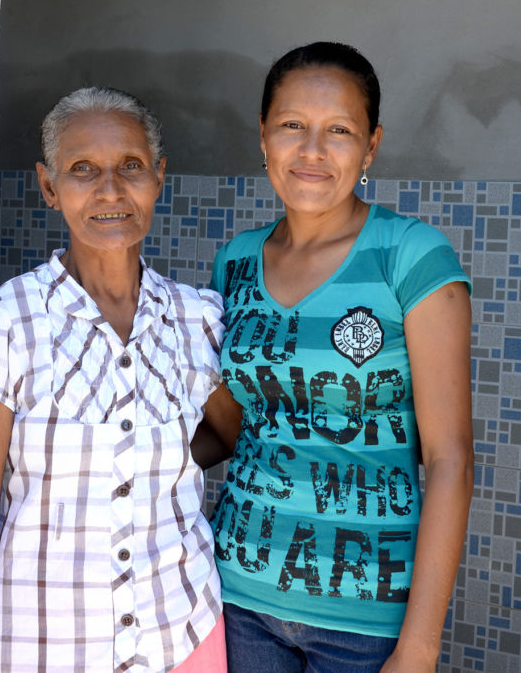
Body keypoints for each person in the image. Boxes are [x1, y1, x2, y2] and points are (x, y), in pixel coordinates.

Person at [202, 42, 475, 673]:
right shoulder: (234, 261)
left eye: (340, 131)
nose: (313, 151)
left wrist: (420, 647)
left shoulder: (409, 256)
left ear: (372, 146)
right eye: (292, 126)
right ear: (263, 138)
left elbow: (451, 459)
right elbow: (227, 427)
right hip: (238, 594)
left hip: (366, 620)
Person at [0, 87, 229, 672]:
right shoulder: (7, 320)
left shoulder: (196, 319)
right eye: (82, 170)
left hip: (184, 631)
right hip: (46, 645)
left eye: (131, 166)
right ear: (49, 187)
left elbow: (228, 432)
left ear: (158, 178)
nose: (110, 190)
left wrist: (147, 459)